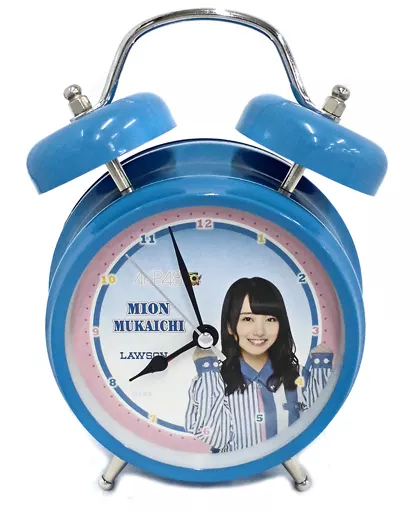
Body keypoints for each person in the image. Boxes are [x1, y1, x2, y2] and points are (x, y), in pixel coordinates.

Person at [185, 277, 333, 452]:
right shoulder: (213, 381)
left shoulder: (297, 375)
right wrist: (208, 370)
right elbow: (216, 438)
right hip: (236, 469)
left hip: (286, 465)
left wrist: (322, 368)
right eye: (248, 319)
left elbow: (322, 428)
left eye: (270, 319)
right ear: (230, 327)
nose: (260, 331)